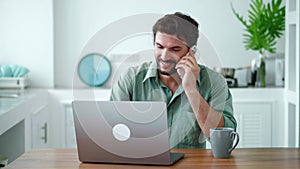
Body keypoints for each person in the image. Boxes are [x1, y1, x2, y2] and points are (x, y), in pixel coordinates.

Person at [110, 12, 237, 148]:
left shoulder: (214, 81)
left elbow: (224, 143)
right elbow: (112, 134)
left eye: (175, 49)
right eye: (159, 47)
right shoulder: (130, 79)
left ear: (191, 52)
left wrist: (191, 89)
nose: (164, 56)